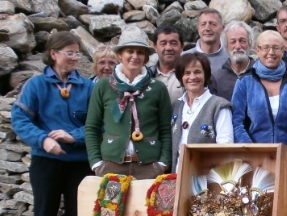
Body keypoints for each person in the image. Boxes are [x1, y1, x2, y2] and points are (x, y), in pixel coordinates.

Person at [11, 32, 94, 216]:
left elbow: (97, 124)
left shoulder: (87, 87)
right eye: (69, 52)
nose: (75, 57)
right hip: (46, 163)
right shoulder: (36, 85)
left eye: (77, 52)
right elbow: (20, 118)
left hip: (79, 164)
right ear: (53, 54)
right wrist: (43, 140)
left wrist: (74, 137)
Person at [85, 25, 172, 181]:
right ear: (120, 55)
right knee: (110, 199)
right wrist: (97, 164)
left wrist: (162, 163)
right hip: (111, 165)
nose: (135, 56)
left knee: (147, 199)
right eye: (129, 51)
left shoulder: (158, 88)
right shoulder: (103, 86)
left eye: (140, 52)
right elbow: (92, 127)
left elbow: (166, 129)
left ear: (146, 57)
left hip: (149, 166)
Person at [231, 30, 287, 163]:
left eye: (276, 48)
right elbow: (236, 123)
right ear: (257, 50)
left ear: (283, 51)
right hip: (254, 159)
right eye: (266, 47)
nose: (271, 52)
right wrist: (252, 152)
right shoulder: (244, 83)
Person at [171, 53, 233, 171]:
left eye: (197, 72)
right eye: (187, 73)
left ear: (206, 75)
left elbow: (225, 147)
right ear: (181, 77)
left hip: (206, 176)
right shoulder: (176, 106)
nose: (192, 77)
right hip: (177, 175)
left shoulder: (219, 106)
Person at [210, 20, 255, 102]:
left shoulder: (260, 74)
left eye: (242, 41)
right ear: (226, 46)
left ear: (250, 44)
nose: (237, 46)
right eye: (233, 42)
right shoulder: (216, 79)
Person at [147, 24, 184, 101]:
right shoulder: (146, 75)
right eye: (163, 43)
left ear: (182, 46)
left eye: (173, 43)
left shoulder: (190, 76)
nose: (168, 48)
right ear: (155, 47)